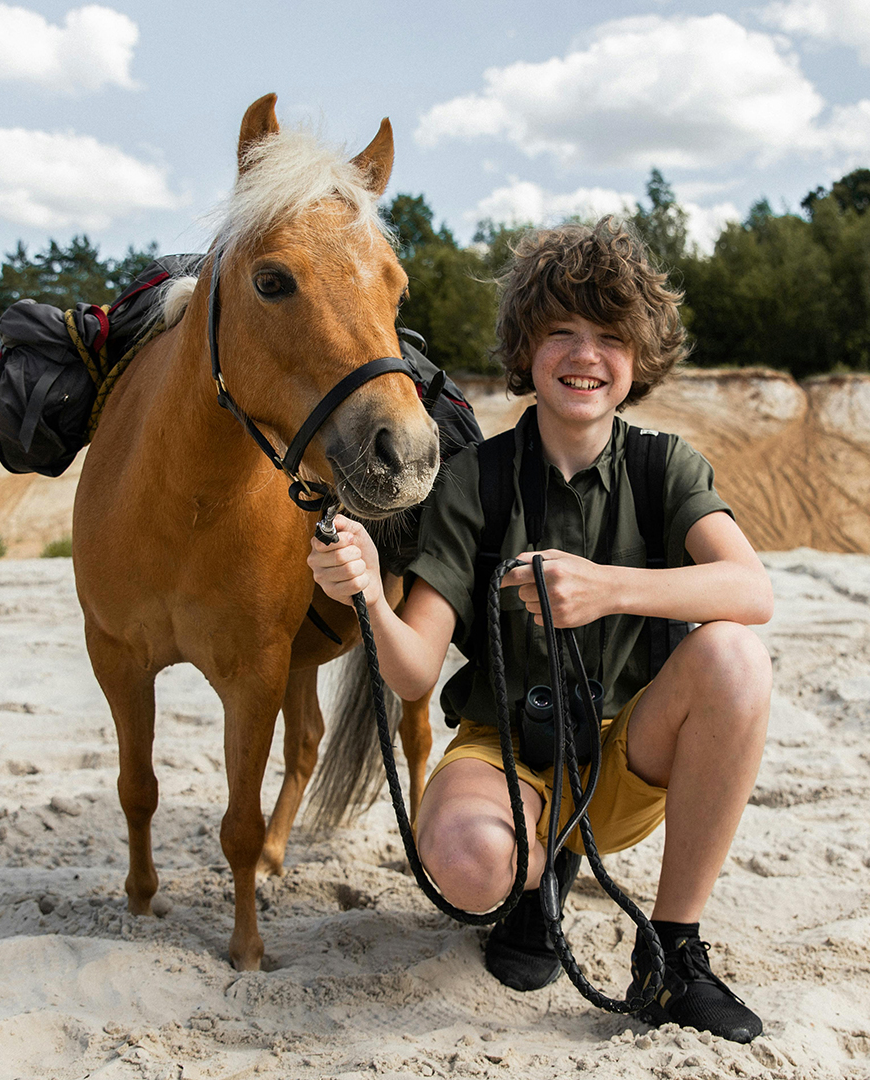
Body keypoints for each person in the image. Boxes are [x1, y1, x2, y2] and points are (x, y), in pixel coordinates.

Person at [307, 217, 774, 1043]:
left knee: (735, 654)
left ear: (640, 357)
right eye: (560, 331)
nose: (584, 355)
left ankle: (672, 953)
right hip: (505, 753)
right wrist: (371, 598)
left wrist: (606, 589)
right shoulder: (470, 480)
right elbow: (413, 670)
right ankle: (533, 884)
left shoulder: (668, 466)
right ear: (526, 350)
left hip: (632, 755)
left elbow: (751, 590)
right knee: (465, 864)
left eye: (608, 335)